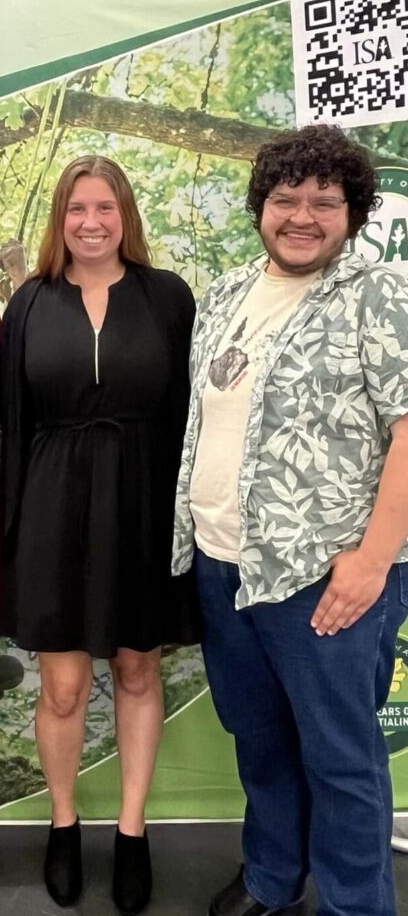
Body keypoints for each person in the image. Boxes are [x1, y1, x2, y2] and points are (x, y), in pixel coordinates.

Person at [172, 124, 408, 916]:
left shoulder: (381, 291)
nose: (302, 216)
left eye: (324, 201)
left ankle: (355, 905)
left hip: (328, 574)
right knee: (261, 741)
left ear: (354, 211)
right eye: (285, 199)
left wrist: (374, 559)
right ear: (260, 206)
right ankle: (273, 879)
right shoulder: (231, 292)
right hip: (224, 563)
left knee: (341, 758)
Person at [0, 155, 197, 915]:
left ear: (125, 215)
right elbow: (11, 425)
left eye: (105, 207)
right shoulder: (30, 305)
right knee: (65, 684)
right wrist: (12, 531)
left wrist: (186, 521)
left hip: (143, 503)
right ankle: (64, 822)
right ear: (60, 218)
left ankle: (133, 831)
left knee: (140, 671)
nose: (90, 222)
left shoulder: (169, 298)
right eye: (77, 208)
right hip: (52, 504)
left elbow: (189, 415)